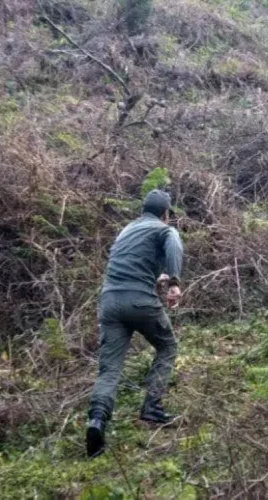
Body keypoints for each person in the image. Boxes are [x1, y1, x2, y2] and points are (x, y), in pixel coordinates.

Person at [86, 189, 184, 458]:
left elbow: (131, 266)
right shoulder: (163, 229)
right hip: (140, 302)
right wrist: (174, 283)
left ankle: (96, 420)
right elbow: (173, 240)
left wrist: (158, 278)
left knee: (109, 369)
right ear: (166, 214)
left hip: (110, 302)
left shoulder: (127, 230)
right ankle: (152, 406)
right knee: (167, 347)